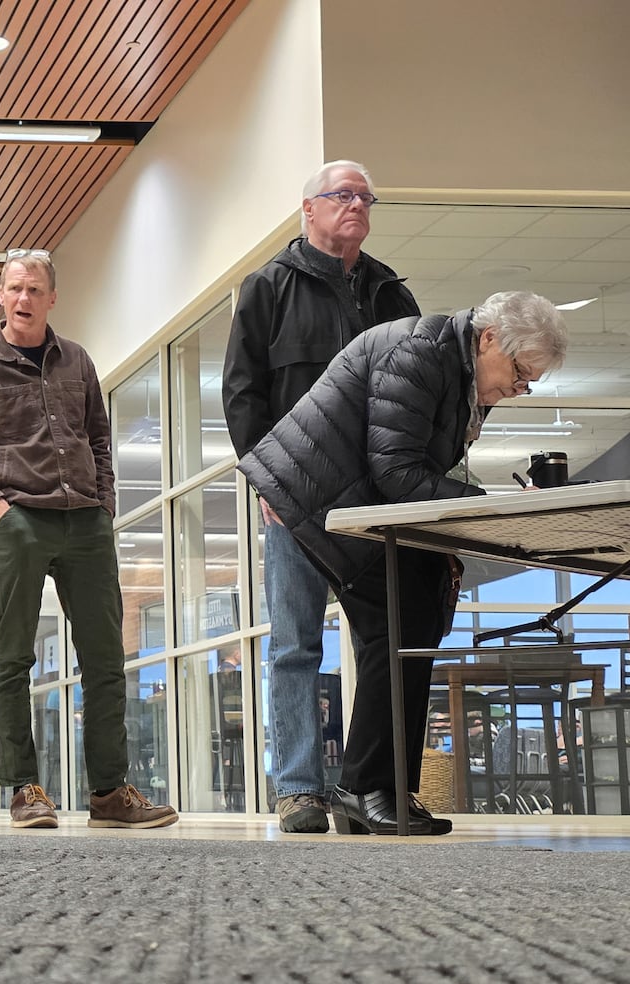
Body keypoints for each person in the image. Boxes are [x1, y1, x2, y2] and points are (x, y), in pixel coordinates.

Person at [239, 290, 567, 835]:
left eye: (530, 381)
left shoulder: (457, 370)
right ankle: (366, 787)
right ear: (488, 339)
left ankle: (385, 788)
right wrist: (487, 505)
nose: (520, 387)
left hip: (354, 496)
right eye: (519, 371)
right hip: (314, 496)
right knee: (397, 624)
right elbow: (394, 470)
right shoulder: (420, 352)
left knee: (412, 623)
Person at [222, 159, 421, 834]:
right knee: (296, 645)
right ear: (308, 209)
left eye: (366, 196)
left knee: (383, 640)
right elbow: (243, 391)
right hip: (298, 498)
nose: (357, 205)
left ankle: (372, 788)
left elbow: (416, 393)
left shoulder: (392, 293)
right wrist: (265, 477)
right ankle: (299, 788)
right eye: (343, 196)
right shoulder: (268, 288)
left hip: (375, 499)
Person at [0, 250, 179, 831]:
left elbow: (98, 438)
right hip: (19, 520)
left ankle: (109, 792)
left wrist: (105, 506)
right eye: (13, 288)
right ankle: (24, 788)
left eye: (33, 289)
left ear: (52, 297)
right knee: (11, 658)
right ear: (0, 296)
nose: (22, 298)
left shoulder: (76, 360)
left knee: (107, 659)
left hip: (86, 521)